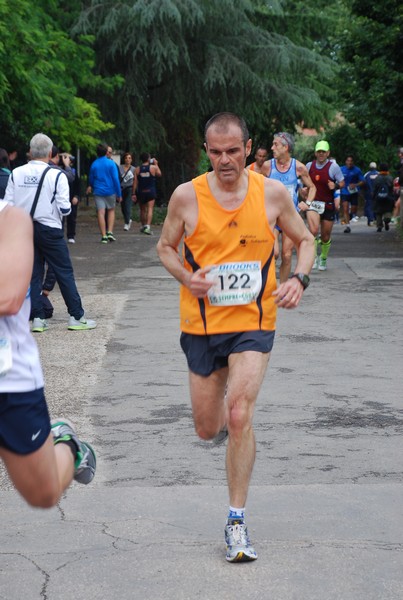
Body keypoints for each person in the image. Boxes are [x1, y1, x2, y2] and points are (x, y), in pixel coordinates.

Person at [157, 112, 314, 563]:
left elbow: (304, 240)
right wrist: (188, 279)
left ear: (249, 149)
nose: (224, 160)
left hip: (254, 321)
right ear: (206, 151)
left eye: (232, 150)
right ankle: (224, 415)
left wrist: (299, 280)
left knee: (240, 414)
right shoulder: (187, 197)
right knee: (209, 428)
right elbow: (165, 247)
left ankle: (236, 521)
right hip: (202, 327)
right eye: (215, 151)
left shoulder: (273, 194)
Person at [0, 200, 96, 508]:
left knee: (44, 494)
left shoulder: (10, 218)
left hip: (8, 379)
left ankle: (67, 445)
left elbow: (10, 297)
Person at [4, 133, 96, 333]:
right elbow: (65, 209)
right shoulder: (57, 175)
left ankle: (37, 318)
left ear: (30, 151)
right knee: (63, 271)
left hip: (24, 229)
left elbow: (8, 206)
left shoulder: (16, 173)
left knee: (32, 274)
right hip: (50, 229)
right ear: (49, 152)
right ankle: (76, 316)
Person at [261, 132, 316, 282]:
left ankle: (283, 288)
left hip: (290, 216)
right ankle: (270, 286)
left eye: (276, 145)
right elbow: (253, 184)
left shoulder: (298, 167)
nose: (272, 148)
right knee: (274, 252)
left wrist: (308, 203)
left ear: (286, 147)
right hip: (271, 215)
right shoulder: (267, 166)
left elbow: (312, 187)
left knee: (286, 254)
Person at [306, 141, 345, 271]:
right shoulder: (309, 166)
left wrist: (336, 186)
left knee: (325, 235)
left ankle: (323, 257)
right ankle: (313, 257)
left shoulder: (333, 167)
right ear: (315, 153)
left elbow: (342, 182)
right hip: (313, 203)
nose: (321, 154)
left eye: (323, 152)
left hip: (327, 204)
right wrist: (303, 190)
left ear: (328, 153)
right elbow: (303, 182)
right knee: (313, 231)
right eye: (319, 151)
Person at [86, 143, 122, 243]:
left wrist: (92, 186)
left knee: (101, 213)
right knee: (111, 210)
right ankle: (110, 231)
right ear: (106, 152)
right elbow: (115, 179)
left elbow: (91, 179)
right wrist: (119, 194)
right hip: (110, 190)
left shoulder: (94, 164)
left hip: (98, 191)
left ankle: (103, 235)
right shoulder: (111, 163)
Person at [135, 152, 162, 235]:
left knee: (142, 210)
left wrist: (133, 193)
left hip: (141, 191)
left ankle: (143, 226)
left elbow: (135, 182)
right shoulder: (153, 168)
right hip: (150, 191)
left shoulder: (137, 169)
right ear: (148, 159)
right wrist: (156, 164)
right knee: (150, 208)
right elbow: (159, 174)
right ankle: (148, 226)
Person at [340, 155, 365, 233]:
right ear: (346, 161)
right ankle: (347, 226)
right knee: (345, 208)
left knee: (354, 209)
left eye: (351, 161)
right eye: (348, 161)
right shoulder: (341, 169)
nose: (349, 163)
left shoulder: (357, 170)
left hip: (354, 192)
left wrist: (356, 185)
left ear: (353, 162)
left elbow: (363, 181)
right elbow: (336, 179)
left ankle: (350, 216)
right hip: (344, 191)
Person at [372, 163, 395, 232]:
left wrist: (373, 197)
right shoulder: (390, 178)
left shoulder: (377, 178)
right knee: (388, 211)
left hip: (378, 198)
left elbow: (374, 189)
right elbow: (392, 189)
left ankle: (379, 226)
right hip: (388, 199)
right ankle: (386, 221)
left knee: (378, 212)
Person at [119, 152, 137, 231]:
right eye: (126, 158)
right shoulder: (120, 168)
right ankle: (127, 219)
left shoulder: (133, 169)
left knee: (127, 205)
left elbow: (135, 180)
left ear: (131, 160)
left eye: (129, 158)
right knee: (123, 207)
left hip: (129, 188)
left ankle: (126, 223)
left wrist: (134, 191)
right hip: (121, 188)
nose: (127, 160)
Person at [363, 162, 378, 226]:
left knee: (369, 206)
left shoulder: (366, 174)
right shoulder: (379, 174)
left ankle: (370, 220)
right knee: (377, 205)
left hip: (368, 193)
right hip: (377, 193)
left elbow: (363, 183)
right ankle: (376, 219)